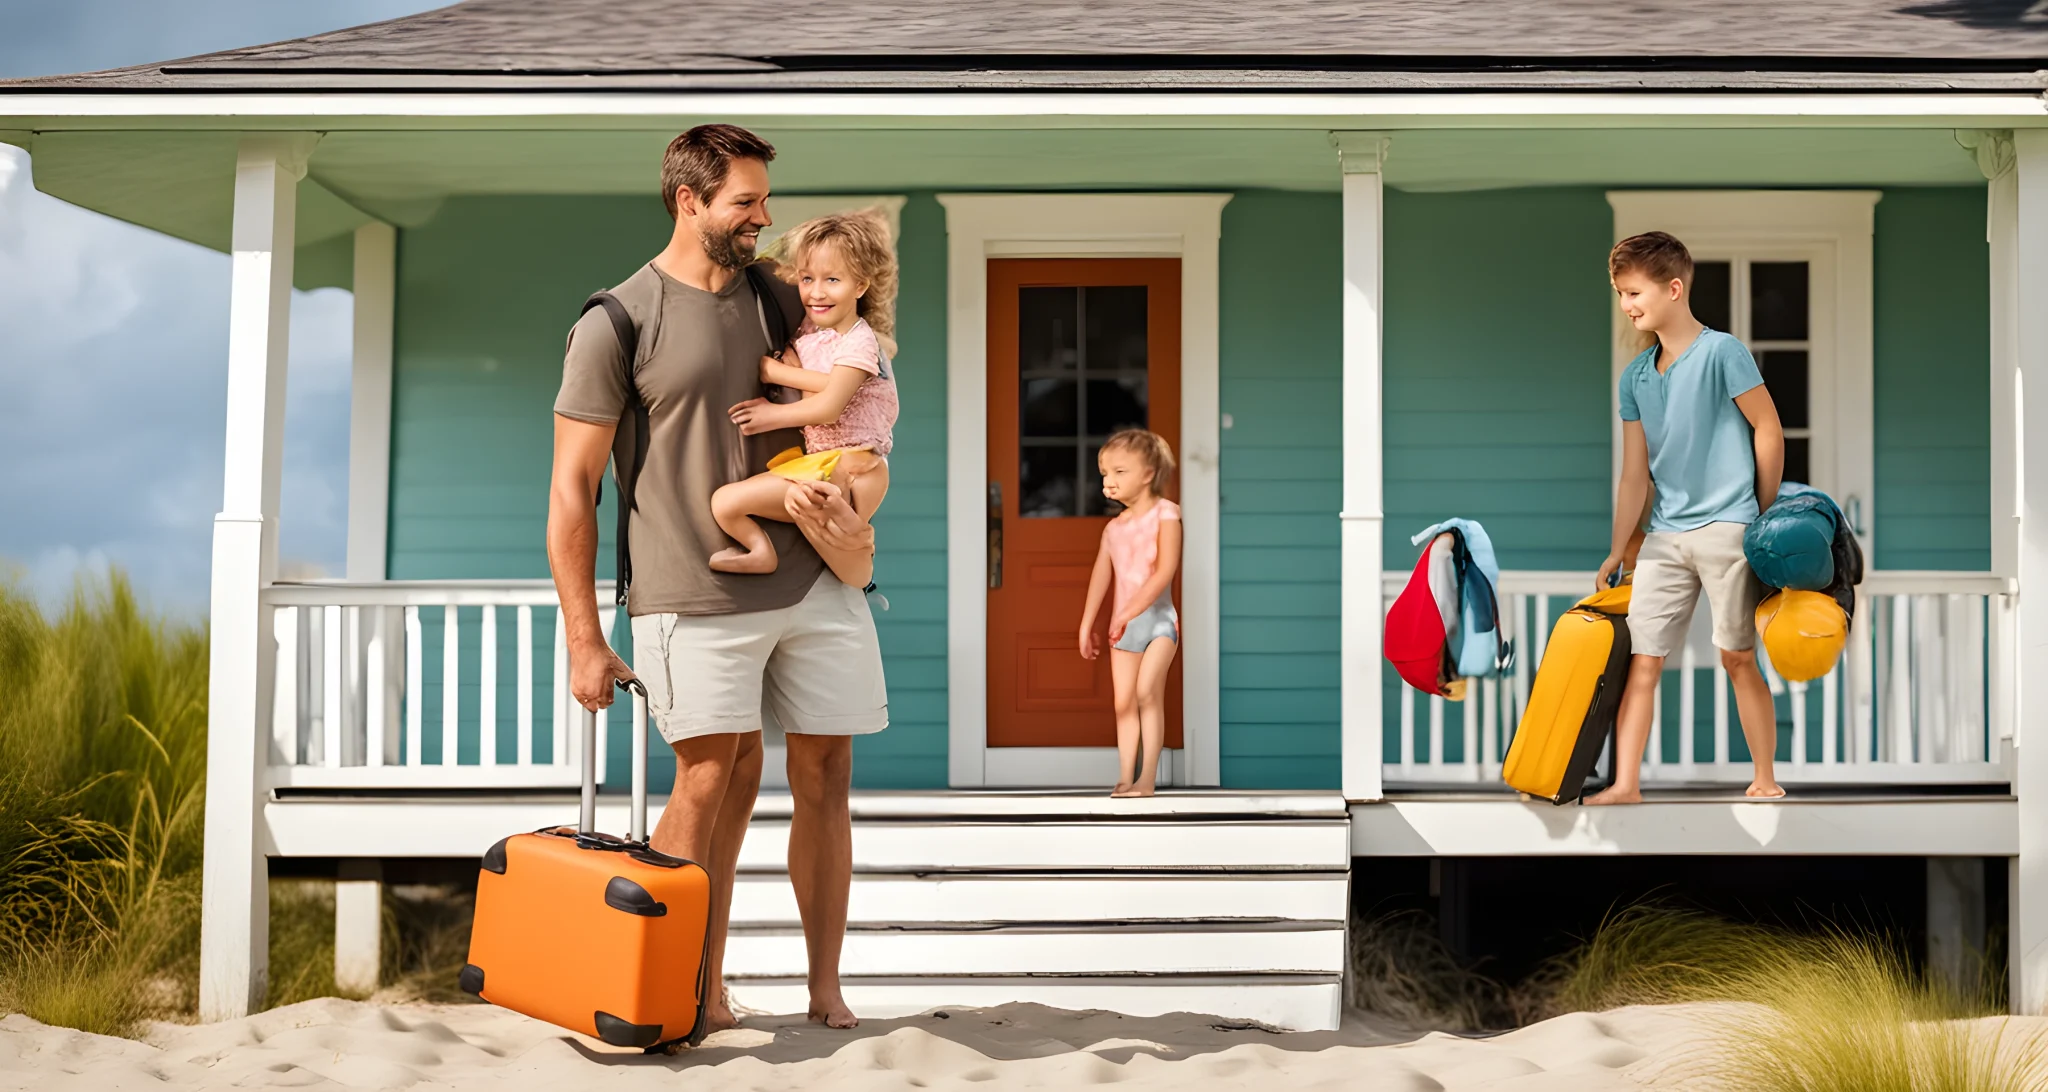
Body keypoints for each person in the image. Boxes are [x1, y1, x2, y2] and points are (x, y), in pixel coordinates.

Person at [546, 124, 885, 1031]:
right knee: (710, 781)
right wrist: (586, 637)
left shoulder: (783, 299)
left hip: (812, 578)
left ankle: (823, 993)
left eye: (765, 200)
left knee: (827, 772)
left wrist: (857, 513)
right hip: (690, 589)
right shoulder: (615, 319)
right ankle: (677, 991)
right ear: (688, 201)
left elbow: (862, 393)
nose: (762, 219)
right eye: (745, 202)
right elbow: (573, 494)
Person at [1586, 231, 1785, 806]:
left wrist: (1762, 515)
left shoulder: (1724, 352)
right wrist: (1619, 545)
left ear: (1674, 289)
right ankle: (1626, 785)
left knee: (1736, 655)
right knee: (1642, 660)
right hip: (1665, 536)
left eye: (1635, 291)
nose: (1627, 304)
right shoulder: (1635, 378)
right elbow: (1633, 476)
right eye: (1621, 293)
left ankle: (1765, 777)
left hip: (1729, 525)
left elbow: (1767, 428)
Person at [712, 211, 899, 574]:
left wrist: (772, 400)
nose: (816, 292)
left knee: (849, 562)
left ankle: (849, 547)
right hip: (824, 464)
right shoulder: (812, 330)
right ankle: (760, 550)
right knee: (726, 504)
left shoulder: (859, 340)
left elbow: (830, 406)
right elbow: (832, 383)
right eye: (807, 278)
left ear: (860, 286)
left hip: (853, 466)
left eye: (832, 279)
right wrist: (793, 364)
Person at [1078, 429, 1183, 798]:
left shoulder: (1166, 515)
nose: (1109, 481)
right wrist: (1087, 624)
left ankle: (1147, 778)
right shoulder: (1113, 529)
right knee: (1123, 703)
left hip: (1158, 624)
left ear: (1149, 474)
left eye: (1120, 472)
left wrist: (1127, 613)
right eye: (1105, 473)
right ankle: (1125, 777)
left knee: (1146, 693)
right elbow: (1100, 577)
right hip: (1123, 629)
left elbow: (1164, 570)